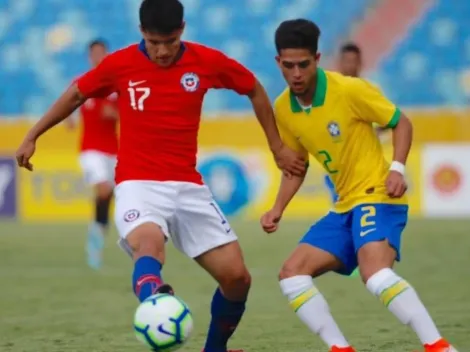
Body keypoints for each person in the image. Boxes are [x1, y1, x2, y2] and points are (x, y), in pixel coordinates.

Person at [15, 1, 305, 352]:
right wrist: (33, 135)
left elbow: (254, 89)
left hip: (188, 186)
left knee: (237, 278)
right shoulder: (120, 64)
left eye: (169, 41)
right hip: (138, 184)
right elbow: (77, 92)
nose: (163, 50)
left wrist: (276, 147)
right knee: (148, 245)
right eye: (154, 42)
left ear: (182, 29)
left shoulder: (206, 61)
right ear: (142, 33)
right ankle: (155, 301)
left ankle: (214, 349)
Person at [260, 19, 457, 352]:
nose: (296, 74)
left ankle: (439, 347)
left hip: (378, 196)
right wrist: (277, 208)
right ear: (278, 62)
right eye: (288, 66)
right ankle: (340, 348)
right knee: (292, 273)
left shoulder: (349, 90)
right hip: (343, 206)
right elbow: (296, 166)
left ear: (317, 59)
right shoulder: (283, 108)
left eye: (303, 65)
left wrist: (396, 168)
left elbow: (400, 122)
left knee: (375, 276)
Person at [66, 39, 119, 270]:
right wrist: (69, 118)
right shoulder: (81, 82)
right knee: (104, 189)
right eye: (94, 53)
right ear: (89, 56)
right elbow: (68, 105)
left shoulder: (115, 84)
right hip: (90, 150)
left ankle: (98, 232)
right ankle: (95, 240)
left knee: (116, 196)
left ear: (106, 54)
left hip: (114, 151)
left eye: (101, 53)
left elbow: (129, 112)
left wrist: (115, 114)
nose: (97, 56)